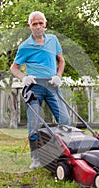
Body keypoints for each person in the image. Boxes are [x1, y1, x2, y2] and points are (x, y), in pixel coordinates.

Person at [10, 11, 71, 169]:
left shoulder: (53, 40)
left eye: (40, 23)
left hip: (52, 86)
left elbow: (61, 60)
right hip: (34, 88)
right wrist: (24, 78)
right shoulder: (25, 46)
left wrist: (58, 75)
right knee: (34, 126)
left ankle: (60, 154)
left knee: (65, 121)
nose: (38, 26)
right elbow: (14, 68)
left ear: (45, 24)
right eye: (34, 24)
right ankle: (36, 159)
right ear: (29, 26)